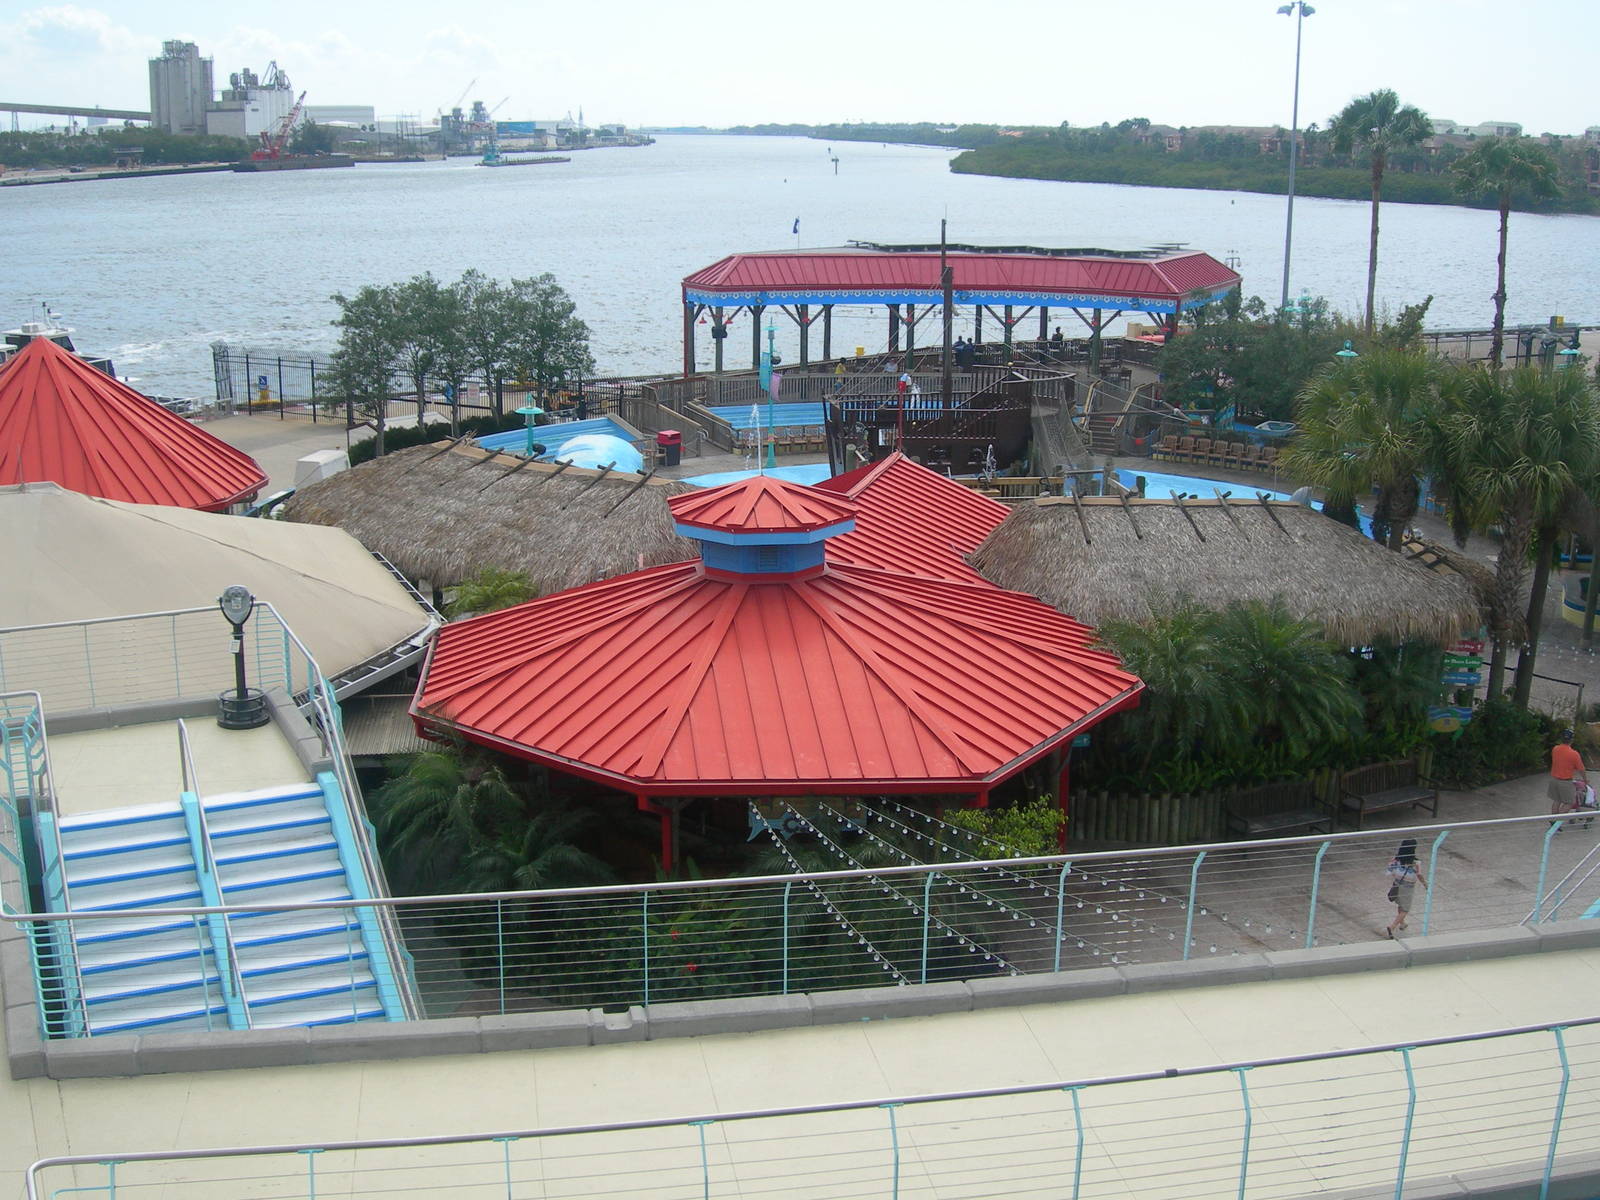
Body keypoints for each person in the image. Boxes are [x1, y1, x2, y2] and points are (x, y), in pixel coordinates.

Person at [1384, 838, 1427, 939]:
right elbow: (1419, 874)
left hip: (1397, 884)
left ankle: (1402, 923)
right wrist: (1425, 884)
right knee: (1405, 909)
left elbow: (1389, 869)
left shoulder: (1396, 858)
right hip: (1408, 887)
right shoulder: (1416, 862)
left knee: (1401, 904)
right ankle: (1392, 926)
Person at [1549, 729, 1587, 816]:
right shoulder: (1574, 754)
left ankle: (1553, 820)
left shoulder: (1555, 749)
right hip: (1565, 781)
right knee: (1570, 802)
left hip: (1554, 779)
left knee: (1557, 800)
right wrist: (1585, 780)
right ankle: (1557, 820)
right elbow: (1581, 769)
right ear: (1572, 740)